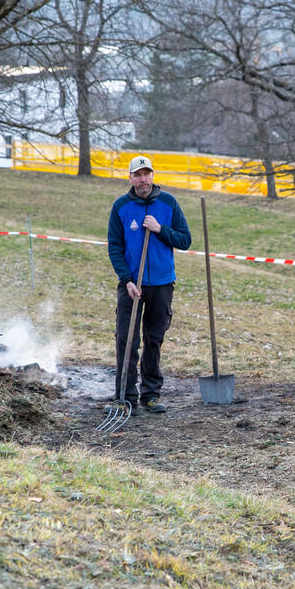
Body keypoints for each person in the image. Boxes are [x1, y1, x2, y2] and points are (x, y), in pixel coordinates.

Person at [107, 155, 192, 413]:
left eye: (147, 174)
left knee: (154, 340)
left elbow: (185, 240)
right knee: (127, 340)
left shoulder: (168, 203)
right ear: (130, 178)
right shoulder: (121, 207)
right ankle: (125, 395)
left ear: (152, 176)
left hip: (162, 283)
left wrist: (159, 229)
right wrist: (127, 279)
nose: (143, 179)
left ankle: (151, 394)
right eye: (138, 174)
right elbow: (115, 247)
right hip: (132, 285)